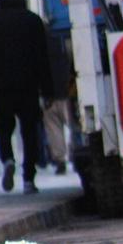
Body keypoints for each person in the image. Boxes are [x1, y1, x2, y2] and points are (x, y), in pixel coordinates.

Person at [0, 0, 54, 194]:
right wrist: (47, 91)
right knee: (29, 132)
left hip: (0, 87)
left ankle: (8, 159)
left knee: (3, 128)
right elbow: (42, 58)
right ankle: (28, 178)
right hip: (28, 86)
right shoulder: (32, 20)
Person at [42, 25, 73, 175]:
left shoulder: (36, 50)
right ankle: (78, 150)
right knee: (75, 126)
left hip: (49, 97)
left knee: (54, 130)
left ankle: (61, 161)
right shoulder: (61, 45)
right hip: (66, 94)